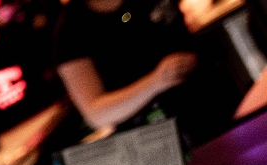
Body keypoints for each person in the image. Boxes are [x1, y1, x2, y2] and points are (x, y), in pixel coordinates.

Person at [54, 0, 204, 133]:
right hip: (151, 131)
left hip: (202, 101)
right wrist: (155, 82)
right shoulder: (70, 30)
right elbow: (96, 114)